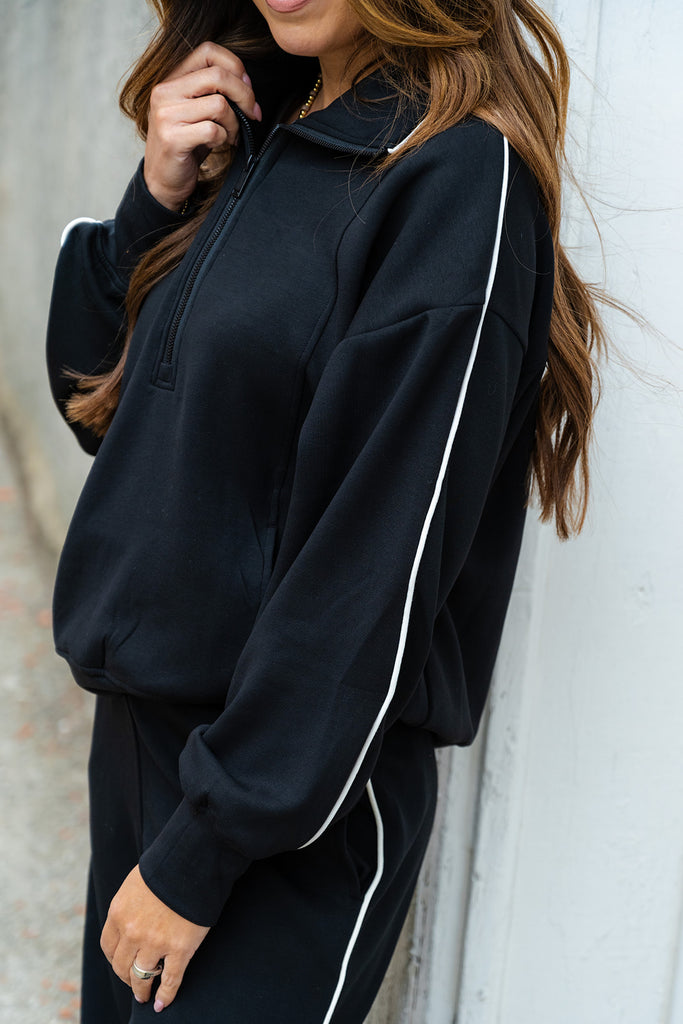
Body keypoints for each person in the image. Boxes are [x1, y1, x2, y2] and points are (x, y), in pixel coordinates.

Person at [45, 0, 605, 1021]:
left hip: (289, 802)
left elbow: (374, 562)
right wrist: (153, 201)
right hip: (144, 750)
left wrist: (207, 846)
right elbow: (105, 413)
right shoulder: (261, 122)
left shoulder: (454, 178)